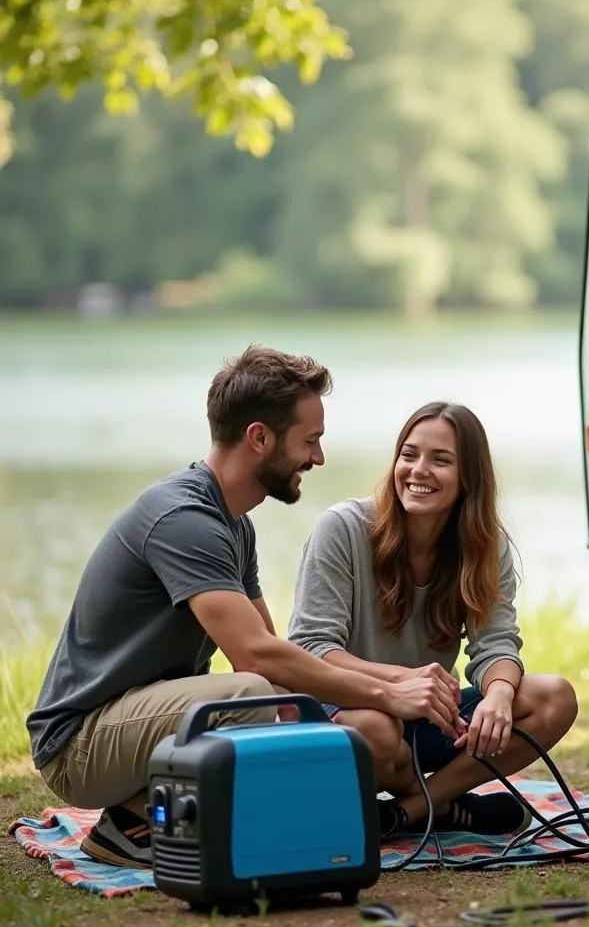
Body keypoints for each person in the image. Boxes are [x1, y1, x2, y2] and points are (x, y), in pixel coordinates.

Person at [26, 346, 465, 869]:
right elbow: (256, 660)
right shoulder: (184, 519)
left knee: (283, 705)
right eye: (310, 440)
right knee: (251, 692)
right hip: (80, 744)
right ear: (260, 438)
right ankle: (130, 822)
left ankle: (361, 811)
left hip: (144, 719)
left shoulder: (235, 524)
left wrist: (354, 720)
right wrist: (390, 691)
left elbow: (275, 656)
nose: (318, 458)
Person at [287, 401, 579, 839]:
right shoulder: (342, 528)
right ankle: (442, 807)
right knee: (377, 730)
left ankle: (410, 809)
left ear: (469, 479)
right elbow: (310, 647)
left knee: (555, 697)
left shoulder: (484, 546)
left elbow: (495, 643)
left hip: (430, 716)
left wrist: (498, 696)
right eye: (409, 455)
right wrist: (401, 683)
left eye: (440, 460)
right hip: (346, 713)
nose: (419, 470)